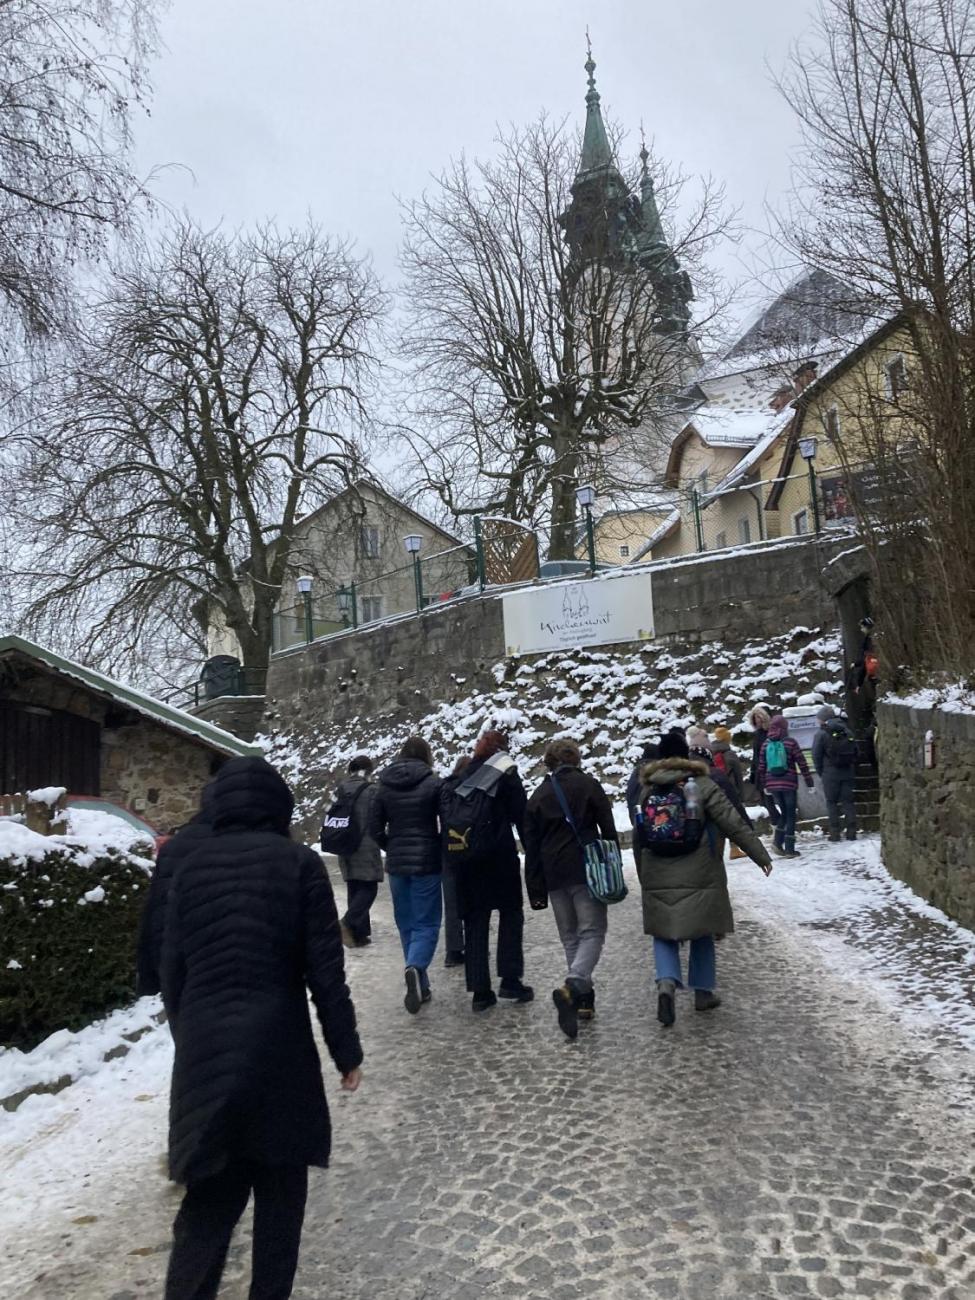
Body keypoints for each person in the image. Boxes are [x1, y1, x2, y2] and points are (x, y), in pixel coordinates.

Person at [160, 756, 362, 1300]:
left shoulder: (189, 868)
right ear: (280, 806)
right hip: (280, 1051)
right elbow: (325, 972)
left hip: (206, 1053)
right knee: (279, 1202)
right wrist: (346, 1052)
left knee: (207, 1206)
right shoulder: (298, 864)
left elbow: (171, 971)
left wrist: (193, 1039)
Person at [637, 733, 773, 1028]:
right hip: (700, 869)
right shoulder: (702, 784)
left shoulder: (648, 789)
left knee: (664, 932)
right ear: (686, 755)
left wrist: (641, 875)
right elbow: (731, 820)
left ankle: (666, 984)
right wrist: (760, 854)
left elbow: (640, 837)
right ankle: (703, 993)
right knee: (702, 930)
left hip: (657, 870)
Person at [523, 738, 619, 1040]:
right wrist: (611, 862)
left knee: (570, 937)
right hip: (586, 867)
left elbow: (531, 847)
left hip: (553, 874)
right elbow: (608, 827)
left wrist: (535, 887)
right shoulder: (589, 785)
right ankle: (574, 984)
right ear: (575, 759)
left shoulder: (538, 795)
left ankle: (582, 1002)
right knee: (591, 932)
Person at [445, 729, 533, 1011]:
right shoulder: (505, 773)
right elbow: (522, 814)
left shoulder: (461, 775)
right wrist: (533, 853)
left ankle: (480, 991)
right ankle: (509, 979)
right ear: (501, 750)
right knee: (510, 914)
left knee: (474, 922)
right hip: (499, 855)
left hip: (466, 857)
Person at [369, 736, 443, 1014]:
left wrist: (392, 846)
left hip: (398, 864)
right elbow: (445, 821)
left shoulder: (383, 786)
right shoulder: (433, 783)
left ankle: (420, 984)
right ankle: (415, 967)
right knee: (427, 924)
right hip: (426, 862)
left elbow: (374, 827)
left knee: (407, 924)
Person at [136, 786, 214, 997]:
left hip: (190, 983)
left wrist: (151, 979)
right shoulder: (281, 852)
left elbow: (157, 915)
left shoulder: (176, 847)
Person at [334, 754, 384, 948]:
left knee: (354, 887)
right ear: (368, 771)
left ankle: (358, 934)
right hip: (366, 845)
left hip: (344, 844)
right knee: (369, 888)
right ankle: (346, 923)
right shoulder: (372, 790)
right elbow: (378, 817)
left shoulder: (340, 788)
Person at [758, 714, 815, 858]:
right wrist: (809, 782)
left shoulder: (766, 743)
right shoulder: (790, 742)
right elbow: (802, 763)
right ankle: (789, 849)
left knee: (784, 812)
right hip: (789, 783)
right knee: (790, 814)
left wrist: (765, 784)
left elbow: (761, 767)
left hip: (773, 784)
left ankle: (777, 843)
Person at [811, 705, 858, 842]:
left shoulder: (821, 733)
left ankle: (835, 833)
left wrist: (821, 772)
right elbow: (856, 750)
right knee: (848, 802)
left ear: (823, 719)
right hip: (847, 772)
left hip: (830, 774)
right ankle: (851, 832)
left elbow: (816, 755)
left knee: (831, 803)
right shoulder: (847, 730)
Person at [626, 742, 659, 868]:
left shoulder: (635, 773)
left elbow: (630, 798)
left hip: (637, 824)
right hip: (654, 826)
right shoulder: (655, 773)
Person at [747, 704, 780, 830]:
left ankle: (779, 825)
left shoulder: (770, 733)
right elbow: (756, 755)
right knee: (765, 802)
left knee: (770, 801)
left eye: (759, 717)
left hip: (769, 771)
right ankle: (779, 823)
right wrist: (753, 772)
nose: (757, 720)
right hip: (760, 771)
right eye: (755, 718)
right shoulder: (758, 734)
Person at [710, 726, 746, 803]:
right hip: (731, 790)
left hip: (716, 791)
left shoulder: (710, 753)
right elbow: (738, 776)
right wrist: (742, 797)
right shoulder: (730, 754)